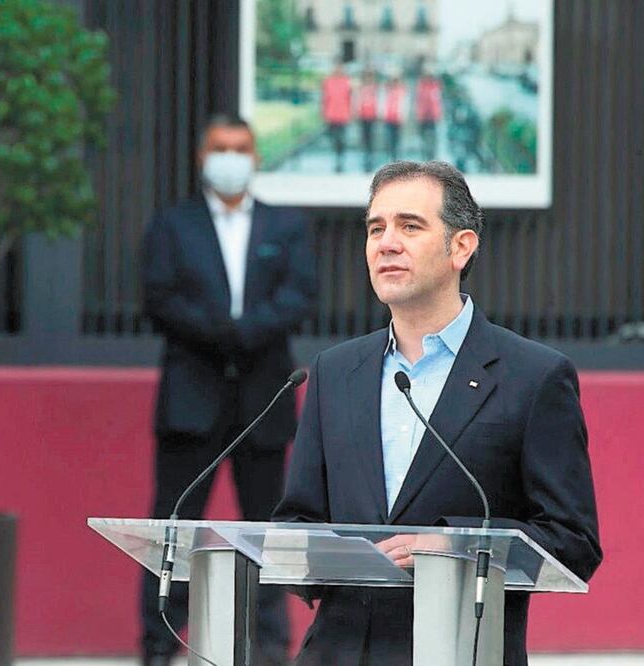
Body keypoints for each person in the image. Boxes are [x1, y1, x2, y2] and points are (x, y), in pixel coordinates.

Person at [273, 160, 602, 665]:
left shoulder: (534, 376)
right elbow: (297, 521)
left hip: (462, 649)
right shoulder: (334, 372)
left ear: (461, 246)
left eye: (410, 226)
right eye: (376, 228)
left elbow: (572, 541)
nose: (386, 242)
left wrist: (455, 546)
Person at [139, 114, 316, 666]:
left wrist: (246, 333)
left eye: (240, 148)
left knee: (269, 527)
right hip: (192, 397)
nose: (231, 157)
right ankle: (160, 644)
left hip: (264, 396)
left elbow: (299, 295)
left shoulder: (285, 226)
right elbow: (161, 299)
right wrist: (225, 336)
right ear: (201, 156)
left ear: (256, 156)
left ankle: (270, 646)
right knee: (173, 528)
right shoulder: (173, 225)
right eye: (220, 147)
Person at [321, 62, 351, 172]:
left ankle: (340, 159)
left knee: (341, 139)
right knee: (333, 138)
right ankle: (336, 156)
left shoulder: (347, 81)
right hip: (331, 114)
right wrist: (324, 112)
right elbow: (325, 98)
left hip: (343, 115)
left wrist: (351, 112)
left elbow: (350, 98)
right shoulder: (328, 81)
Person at [415, 64, 443, 160]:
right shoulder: (421, 86)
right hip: (423, 116)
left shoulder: (435, 86)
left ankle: (432, 157)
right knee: (423, 139)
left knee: (432, 139)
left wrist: (437, 114)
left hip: (432, 117)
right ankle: (424, 156)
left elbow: (437, 101)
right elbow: (419, 101)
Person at [355, 69, 379, 172]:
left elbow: (379, 101)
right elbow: (357, 100)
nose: (368, 79)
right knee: (364, 139)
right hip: (363, 116)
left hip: (372, 116)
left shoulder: (375, 88)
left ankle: (370, 159)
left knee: (371, 139)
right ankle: (365, 159)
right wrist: (356, 111)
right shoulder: (361, 88)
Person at [382, 69, 407, 161]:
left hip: (398, 118)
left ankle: (397, 157)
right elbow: (382, 102)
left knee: (398, 139)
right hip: (388, 118)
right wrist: (382, 114)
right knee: (389, 139)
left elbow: (405, 103)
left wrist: (403, 115)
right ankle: (390, 157)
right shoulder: (386, 89)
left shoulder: (402, 90)